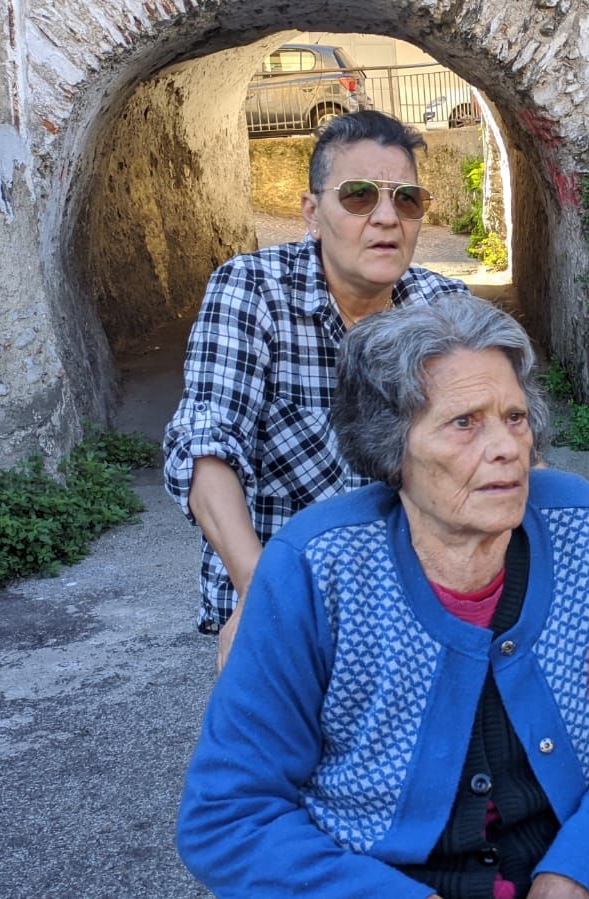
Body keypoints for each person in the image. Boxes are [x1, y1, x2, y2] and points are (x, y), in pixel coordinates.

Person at [176, 297, 589, 899]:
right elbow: (230, 815)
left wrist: (579, 873)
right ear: (391, 445)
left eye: (515, 417)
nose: (507, 447)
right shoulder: (315, 569)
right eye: (465, 423)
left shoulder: (588, 529)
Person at [163, 111, 468, 666]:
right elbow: (207, 445)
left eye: (406, 200)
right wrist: (260, 590)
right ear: (311, 212)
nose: (385, 218)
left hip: (416, 598)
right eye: (357, 196)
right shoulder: (250, 289)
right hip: (286, 588)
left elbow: (488, 446)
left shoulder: (445, 307)